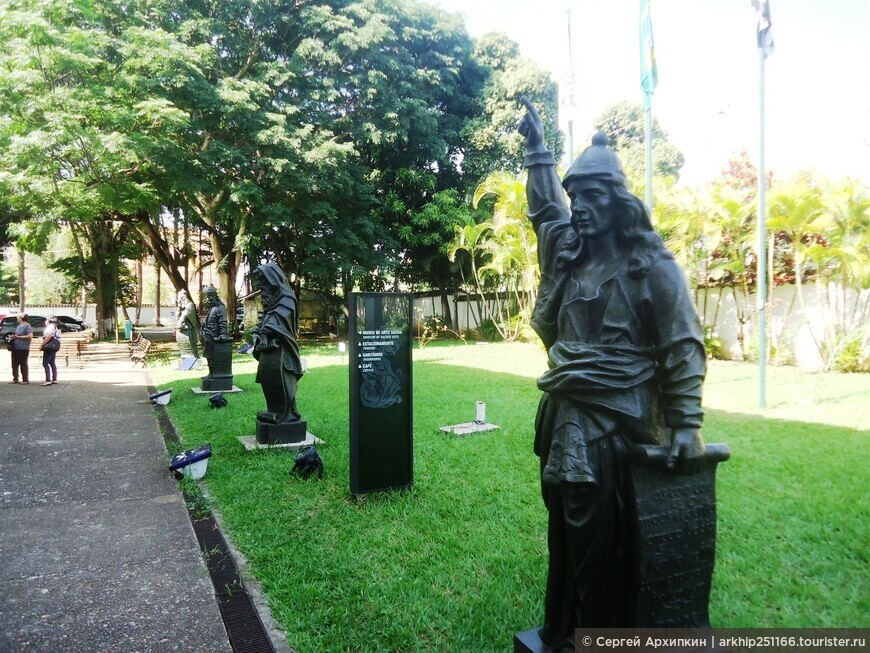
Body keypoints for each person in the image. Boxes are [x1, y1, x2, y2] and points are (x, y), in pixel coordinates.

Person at [518, 98, 707, 646]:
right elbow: (546, 211)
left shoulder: (650, 265)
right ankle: (566, 627)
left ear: (619, 202)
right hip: (565, 414)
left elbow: (683, 344)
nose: (579, 207)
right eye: (578, 196)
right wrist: (537, 151)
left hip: (619, 417)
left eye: (593, 197)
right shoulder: (568, 255)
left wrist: (688, 423)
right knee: (568, 532)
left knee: (597, 538)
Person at [251, 264, 303, 424]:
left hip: (282, 351)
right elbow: (265, 319)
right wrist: (257, 332)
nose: (262, 289)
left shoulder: (287, 298)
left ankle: (286, 414)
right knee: (269, 379)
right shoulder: (272, 301)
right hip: (269, 351)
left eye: (263, 283)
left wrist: (266, 330)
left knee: (281, 380)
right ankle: (274, 411)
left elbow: (281, 317)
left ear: (271, 280)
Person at [200, 285, 231, 378]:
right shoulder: (212, 308)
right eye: (208, 296)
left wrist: (223, 334)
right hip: (208, 336)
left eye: (212, 296)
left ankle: (216, 374)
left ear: (216, 295)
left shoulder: (220, 308)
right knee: (209, 356)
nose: (210, 298)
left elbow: (223, 322)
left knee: (214, 357)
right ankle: (211, 373)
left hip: (215, 336)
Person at [175, 290, 200, 359]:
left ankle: (194, 357)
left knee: (191, 344)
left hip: (189, 327)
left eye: (179, 299)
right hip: (183, 328)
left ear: (183, 298)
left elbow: (185, 314)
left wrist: (180, 322)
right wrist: (178, 309)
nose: (178, 300)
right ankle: (184, 356)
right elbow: (178, 316)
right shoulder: (182, 306)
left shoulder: (190, 305)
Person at [9, 313, 33, 384]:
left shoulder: (27, 326)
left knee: (23, 363)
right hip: (16, 347)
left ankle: (25, 379)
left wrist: (18, 337)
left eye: (18, 316)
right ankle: (15, 378)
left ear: (22, 317)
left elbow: (30, 336)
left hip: (23, 347)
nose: (17, 318)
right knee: (14, 364)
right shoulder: (18, 326)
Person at [40, 316, 61, 386]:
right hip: (55, 346)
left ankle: (48, 379)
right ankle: (54, 379)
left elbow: (49, 336)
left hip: (49, 346)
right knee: (52, 362)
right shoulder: (56, 327)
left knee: (45, 363)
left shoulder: (50, 327)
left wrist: (42, 344)